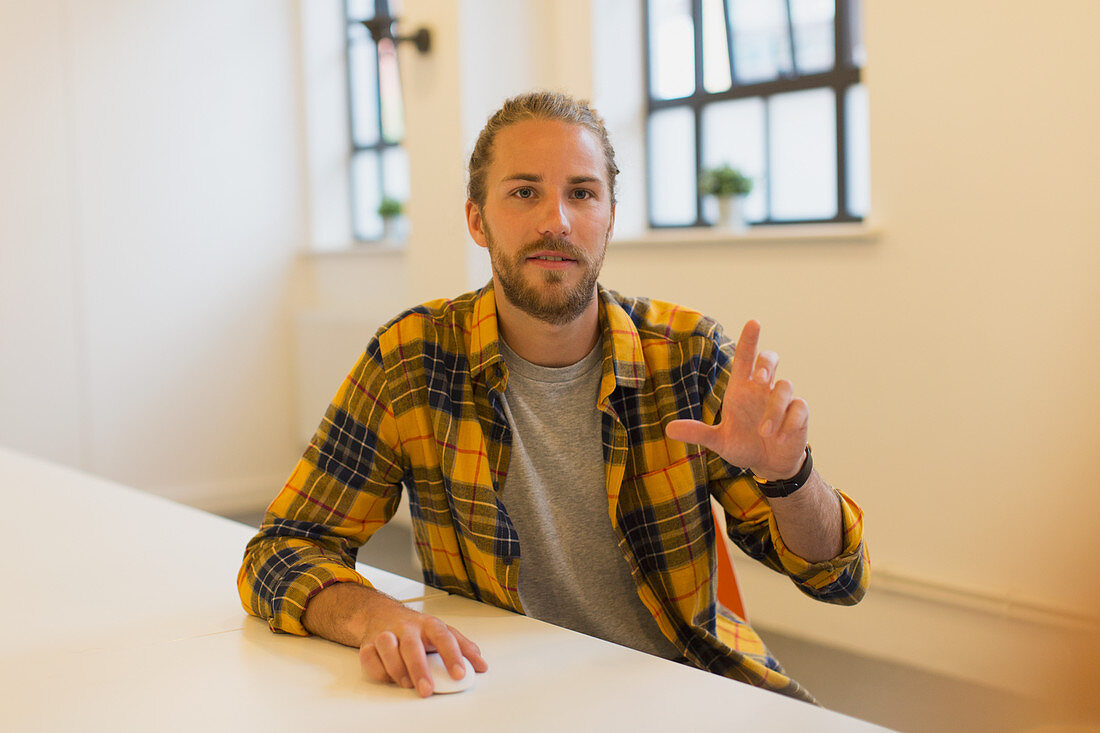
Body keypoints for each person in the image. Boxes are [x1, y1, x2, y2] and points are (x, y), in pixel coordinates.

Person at [238, 91, 868, 703]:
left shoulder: (689, 357)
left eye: (582, 193)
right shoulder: (413, 358)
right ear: (477, 221)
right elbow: (281, 548)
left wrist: (790, 477)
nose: (555, 221)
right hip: (501, 698)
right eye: (524, 192)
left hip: (684, 688)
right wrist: (373, 616)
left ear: (610, 217)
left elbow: (839, 580)